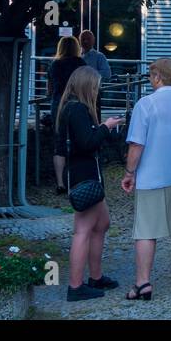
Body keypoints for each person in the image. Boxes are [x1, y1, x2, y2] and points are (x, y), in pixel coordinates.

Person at [122, 58, 171, 301]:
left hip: (151, 176)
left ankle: (143, 283)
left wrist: (129, 172)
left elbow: (137, 144)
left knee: (146, 231)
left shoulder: (145, 104)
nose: (149, 78)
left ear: (157, 77)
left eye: (150, 75)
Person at [56, 67, 124, 300]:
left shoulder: (70, 108)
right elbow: (87, 142)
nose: (98, 90)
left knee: (102, 223)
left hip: (83, 174)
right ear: (87, 86)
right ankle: (75, 286)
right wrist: (106, 127)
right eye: (96, 86)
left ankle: (95, 277)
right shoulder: (78, 110)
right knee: (83, 231)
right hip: (85, 175)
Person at [47, 36, 86, 195]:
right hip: (76, 103)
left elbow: (50, 89)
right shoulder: (80, 64)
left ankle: (60, 183)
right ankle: (77, 179)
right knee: (79, 141)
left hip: (58, 105)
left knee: (59, 142)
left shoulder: (54, 64)